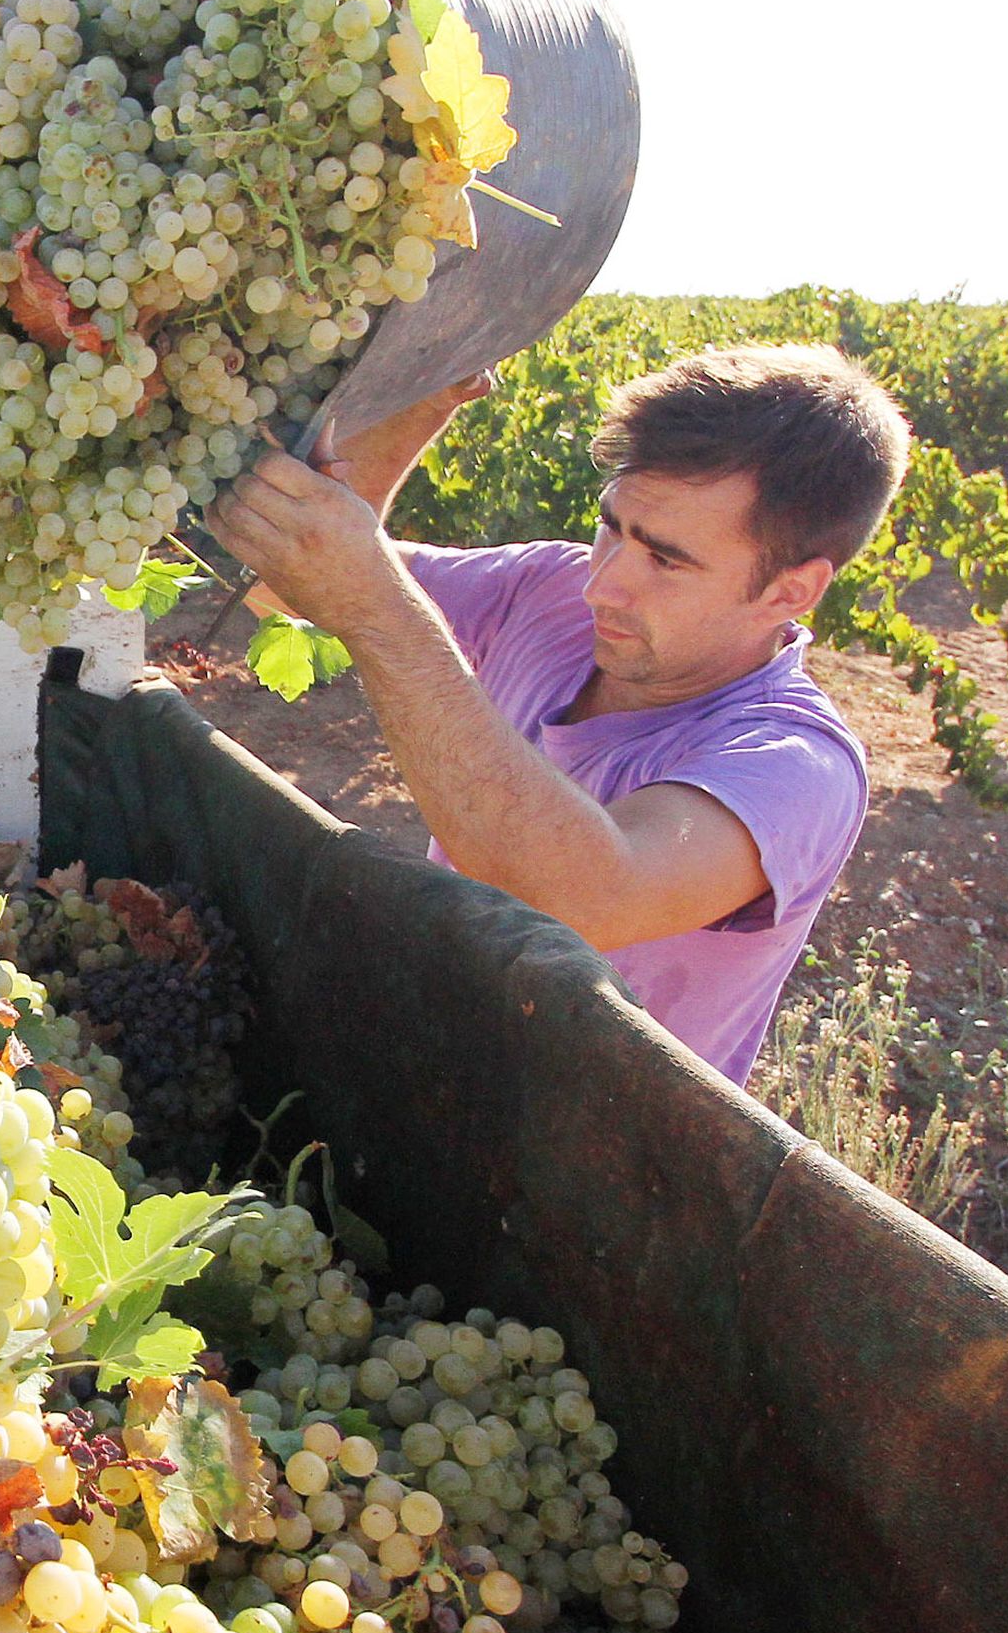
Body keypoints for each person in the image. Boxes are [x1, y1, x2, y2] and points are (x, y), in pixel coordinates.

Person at [207, 343, 911, 1087]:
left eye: (667, 561)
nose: (604, 584)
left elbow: (578, 896)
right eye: (613, 526)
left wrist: (378, 610)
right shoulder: (550, 588)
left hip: (585, 1175)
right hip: (420, 1071)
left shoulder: (796, 766)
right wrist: (422, 405)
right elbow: (293, 588)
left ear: (791, 591)